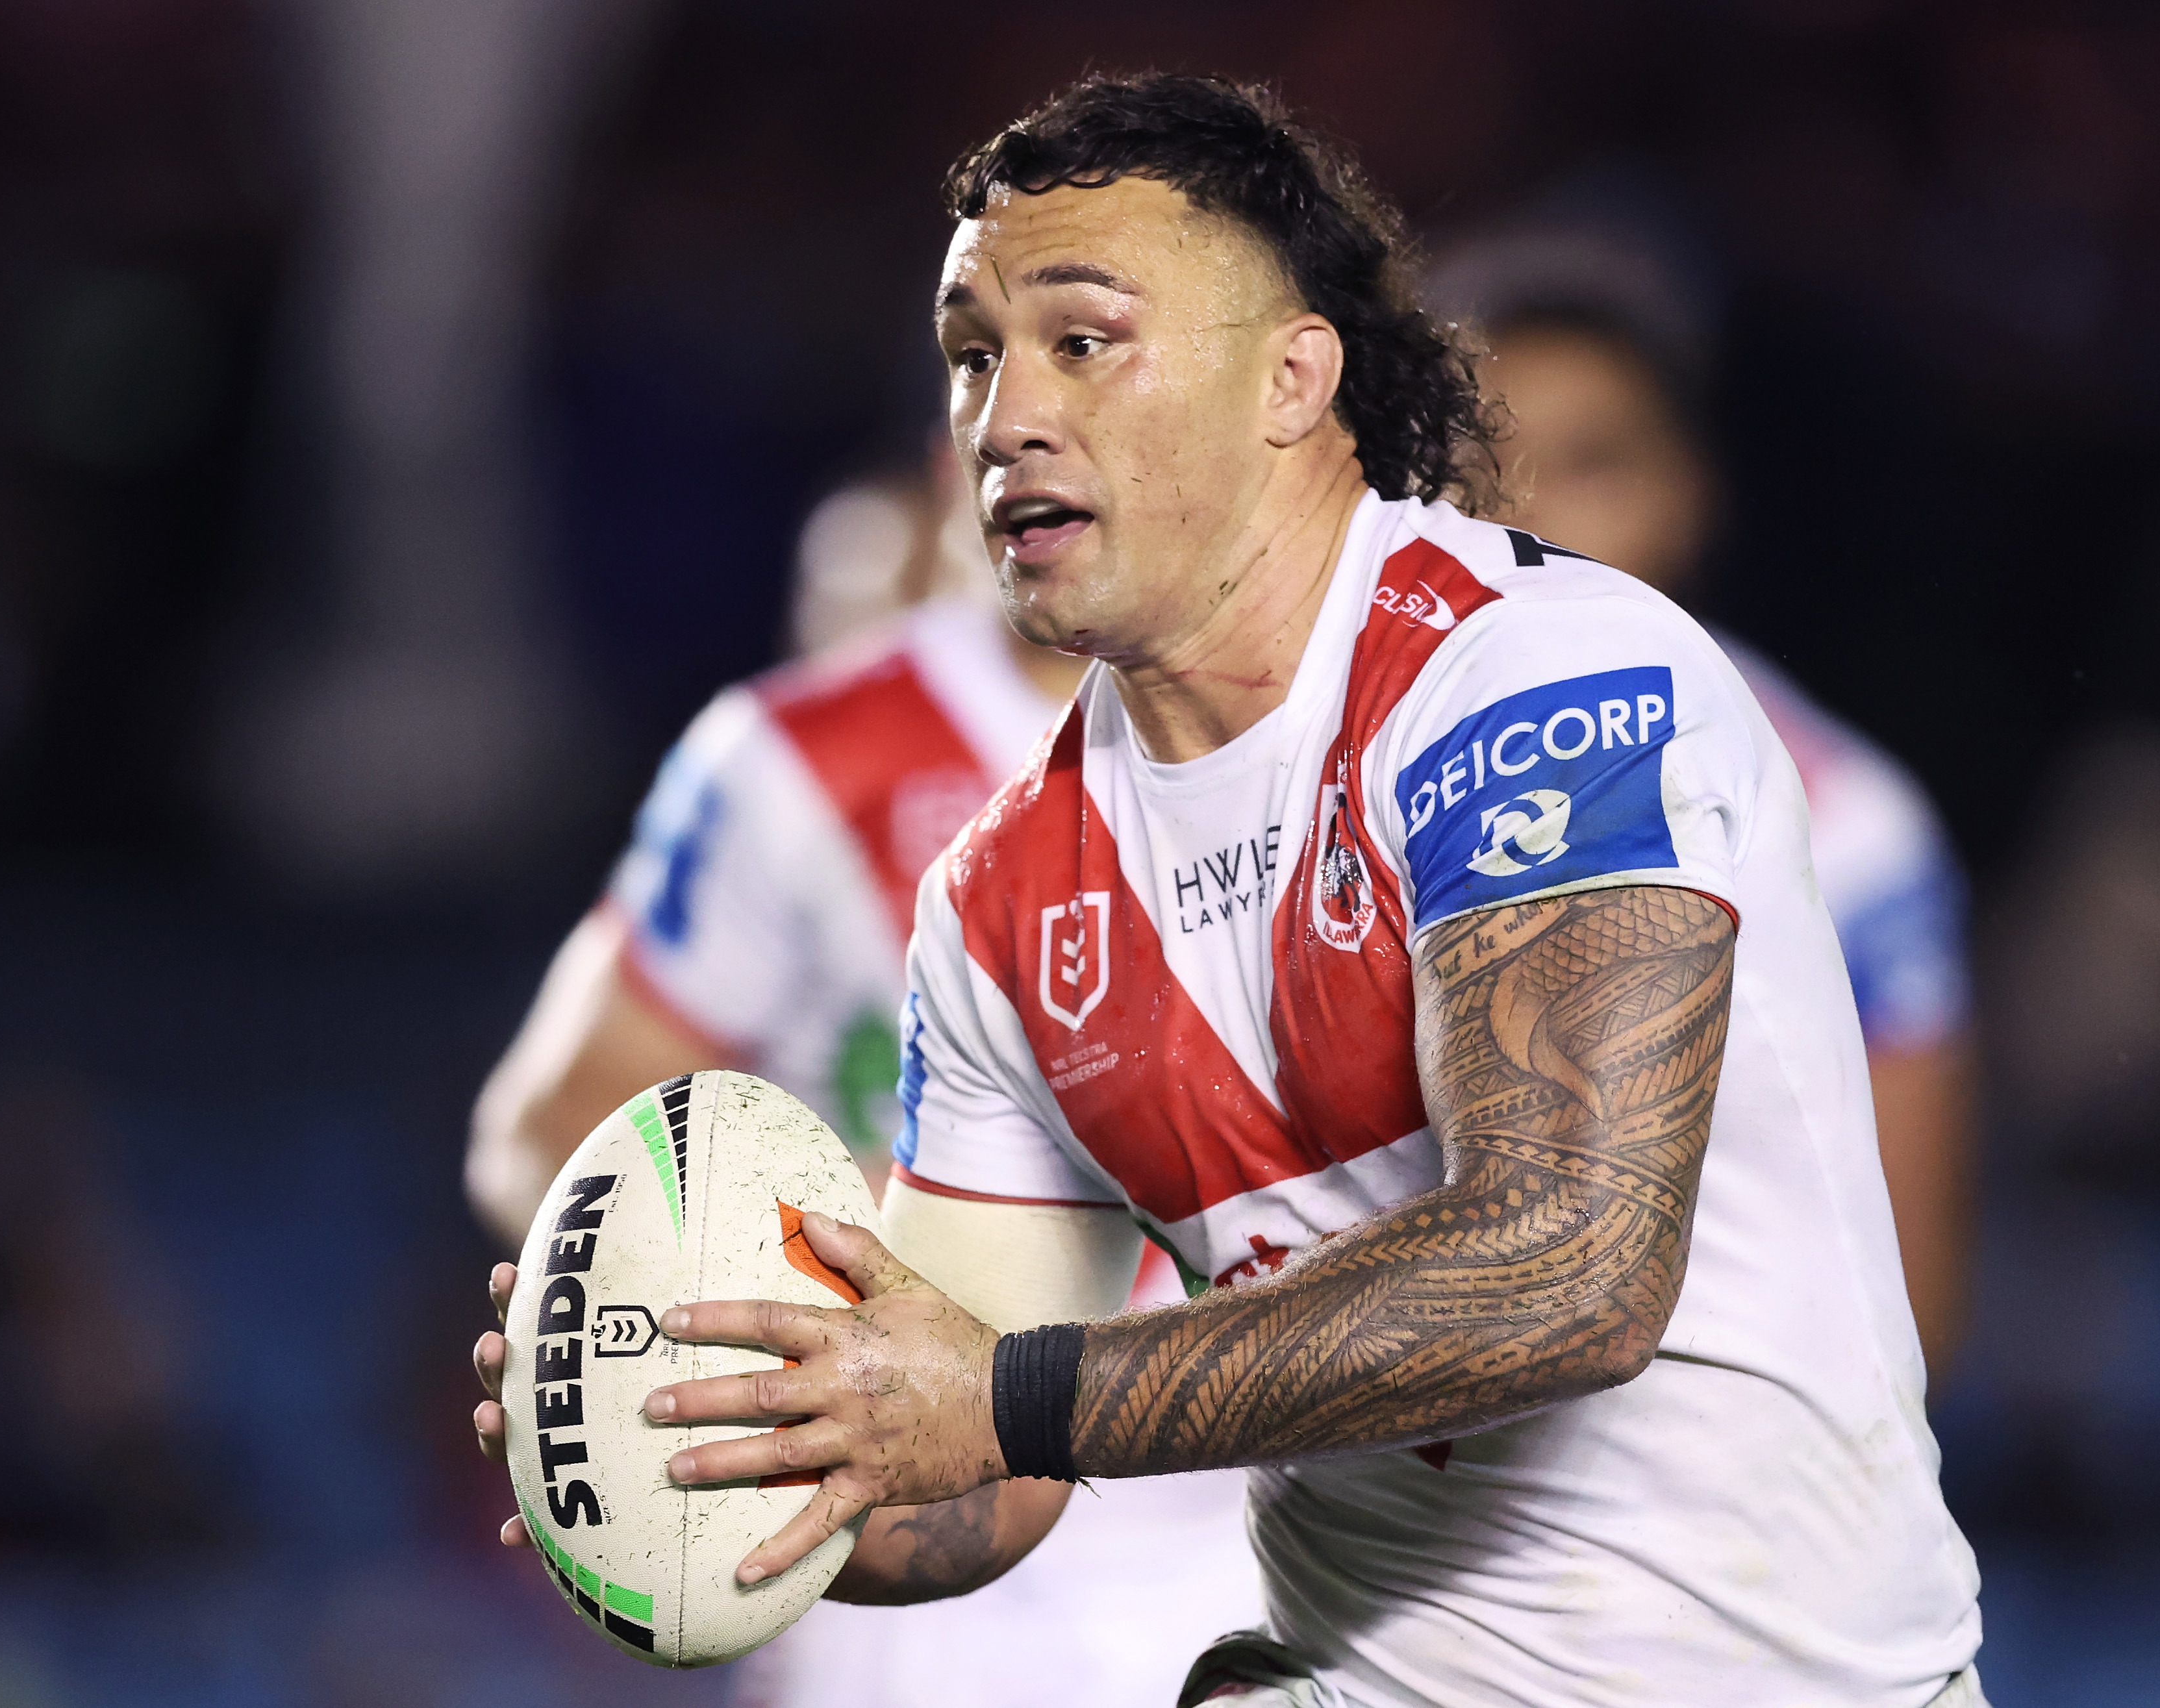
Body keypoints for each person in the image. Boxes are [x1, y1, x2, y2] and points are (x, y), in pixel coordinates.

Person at [474, 73, 1985, 1707]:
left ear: (1293, 375)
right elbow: (977, 1492)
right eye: (974, 354)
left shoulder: (1541, 674)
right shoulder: (1001, 903)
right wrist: (734, 1442)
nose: (1008, 415)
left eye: (1084, 339)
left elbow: (1569, 1265)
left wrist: (996, 1397)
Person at [466, 447, 1264, 1705]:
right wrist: (666, 1301)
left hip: (1285, 1488)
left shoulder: (1362, 716)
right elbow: (551, 1117)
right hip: (911, 1520)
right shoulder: (803, 754)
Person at [1429, 213, 1980, 1376]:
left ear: (1688, 492)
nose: (1526, 524)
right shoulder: (1305, 793)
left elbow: (1909, 1309)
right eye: (1474, 470)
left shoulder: (1851, 833)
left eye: (1590, 465)